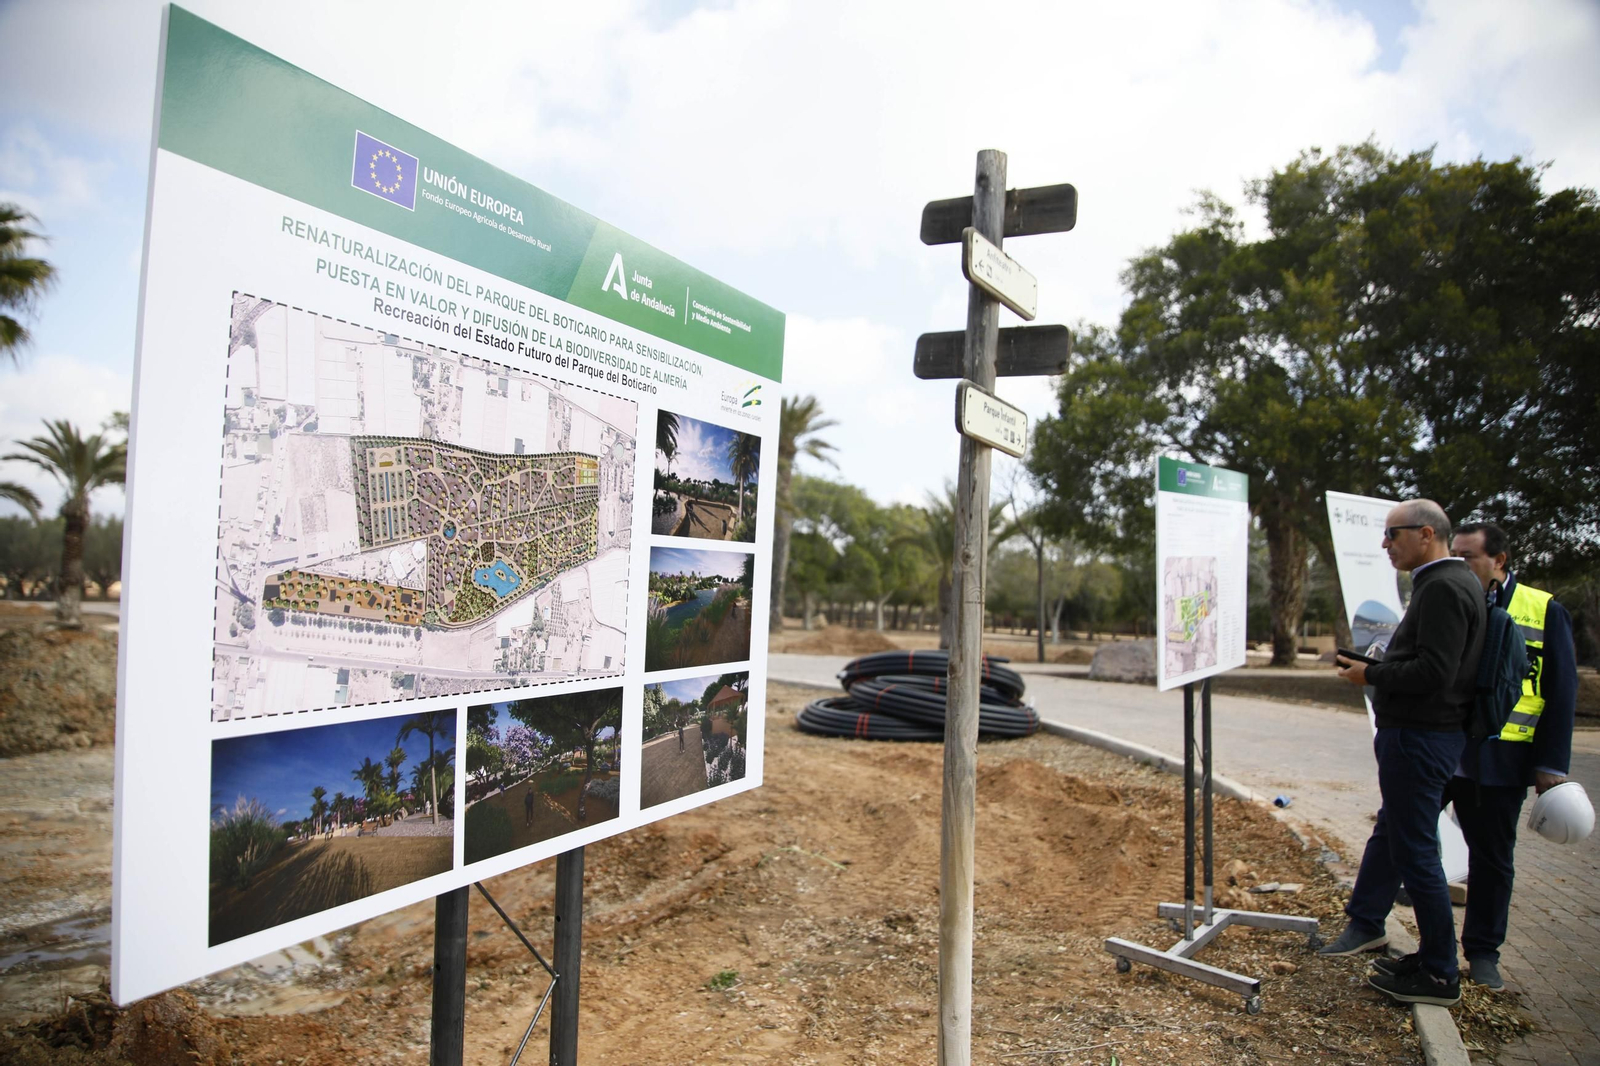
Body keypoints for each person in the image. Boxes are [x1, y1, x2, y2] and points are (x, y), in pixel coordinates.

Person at [1320, 499, 1486, 1008]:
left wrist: (1369, 674)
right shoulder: (1450, 585)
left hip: (1419, 739)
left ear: (1426, 535)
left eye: (1393, 535)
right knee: (1400, 836)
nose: (1385, 545)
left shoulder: (1442, 588)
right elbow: (1430, 663)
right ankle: (1402, 944)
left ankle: (1438, 972)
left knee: (1417, 855)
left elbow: (1433, 674)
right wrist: (1371, 664)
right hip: (1424, 737)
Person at [1405, 521, 1575, 991]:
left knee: (1493, 859)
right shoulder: (1454, 598)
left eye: (1469, 556)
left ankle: (1482, 953)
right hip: (1443, 749)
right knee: (1400, 836)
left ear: (1499, 561)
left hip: (1501, 762)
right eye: (1454, 555)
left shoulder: (1543, 608)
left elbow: (1561, 692)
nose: (1459, 564)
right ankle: (1384, 927)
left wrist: (1550, 765)